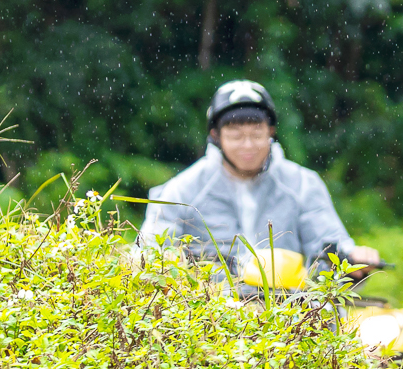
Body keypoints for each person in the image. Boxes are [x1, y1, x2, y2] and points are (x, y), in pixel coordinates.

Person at [139, 79, 383, 277]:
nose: (247, 145)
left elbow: (330, 247)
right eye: (235, 135)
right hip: (209, 319)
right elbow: (150, 251)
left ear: (272, 132)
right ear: (215, 136)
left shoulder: (303, 184)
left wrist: (353, 262)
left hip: (291, 315)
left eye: (257, 134)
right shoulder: (183, 190)